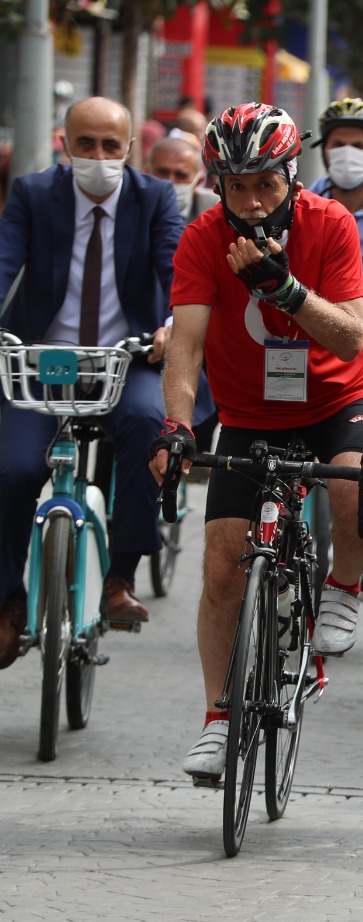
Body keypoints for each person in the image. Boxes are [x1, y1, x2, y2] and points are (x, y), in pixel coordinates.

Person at [148, 103, 363, 779]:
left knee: (358, 477)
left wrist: (284, 289)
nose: (251, 201)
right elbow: (186, 346)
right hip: (252, 411)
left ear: (291, 174)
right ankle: (220, 719)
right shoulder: (201, 237)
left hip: (339, 397)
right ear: (217, 182)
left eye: (266, 183)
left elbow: (349, 335)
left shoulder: (329, 223)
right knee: (222, 562)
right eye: (236, 185)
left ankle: (342, 585)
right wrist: (179, 425)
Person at [0, 96, 191, 665]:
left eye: (112, 145)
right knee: (11, 468)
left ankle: (119, 578)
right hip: (41, 363)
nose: (99, 156)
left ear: (129, 149)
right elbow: (4, 261)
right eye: (87, 144)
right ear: (66, 144)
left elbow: (177, 270)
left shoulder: (154, 197)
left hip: (123, 359)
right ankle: (8, 598)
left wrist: (174, 324)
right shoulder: (34, 194)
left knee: (146, 422)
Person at [307, 98, 363, 293]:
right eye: (338, 145)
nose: (348, 153)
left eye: (358, 146)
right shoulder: (299, 210)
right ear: (324, 152)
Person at [146, 135, 219, 223]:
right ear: (147, 173)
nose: (170, 182)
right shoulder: (133, 205)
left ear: (198, 181)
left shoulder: (215, 209)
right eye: (162, 172)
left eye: (181, 175)